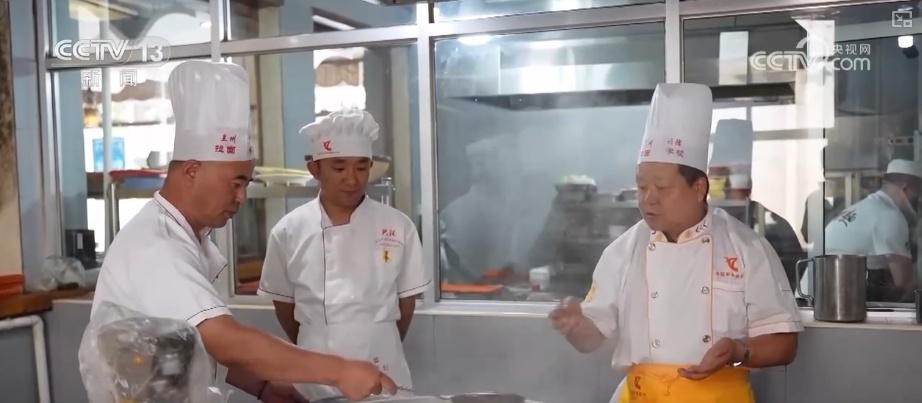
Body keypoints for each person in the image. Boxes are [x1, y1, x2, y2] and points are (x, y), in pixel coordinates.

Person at [87, 60, 396, 403]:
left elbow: (192, 347)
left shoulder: (187, 239)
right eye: (235, 183)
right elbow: (225, 340)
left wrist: (264, 387)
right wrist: (340, 371)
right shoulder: (156, 247)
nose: (241, 198)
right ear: (191, 171)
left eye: (246, 184)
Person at [547, 83, 803, 403]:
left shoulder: (747, 249)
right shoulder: (622, 251)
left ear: (699, 188)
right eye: (642, 187)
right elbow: (592, 338)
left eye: (662, 187)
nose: (648, 199)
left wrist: (738, 351)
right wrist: (575, 326)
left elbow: (783, 344)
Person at [257, 108, 432, 401]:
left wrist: (376, 336)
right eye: (339, 169)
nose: (352, 180)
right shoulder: (288, 230)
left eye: (361, 168)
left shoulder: (398, 226)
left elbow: (406, 303)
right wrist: (316, 339)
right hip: (315, 370)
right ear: (315, 169)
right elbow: (284, 306)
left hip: (384, 364)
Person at [823, 159, 922, 302]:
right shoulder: (889, 215)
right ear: (905, 188)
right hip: (829, 300)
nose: (918, 201)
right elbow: (904, 282)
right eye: (917, 194)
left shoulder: (868, 207)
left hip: (816, 294)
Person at [725, 174, 805, 290]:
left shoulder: (771, 222)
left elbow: (795, 260)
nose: (731, 198)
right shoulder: (722, 220)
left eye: (734, 192)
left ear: (748, 192)